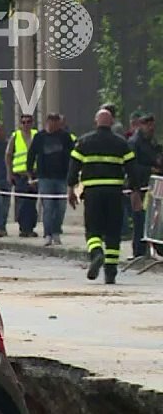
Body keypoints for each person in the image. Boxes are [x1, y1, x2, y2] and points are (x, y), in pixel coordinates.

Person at [68, 108, 139, 284]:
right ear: (112, 122)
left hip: (92, 193)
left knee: (92, 230)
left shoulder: (83, 142)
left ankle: (96, 253)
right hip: (114, 193)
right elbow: (132, 169)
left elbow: (73, 168)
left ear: (95, 122)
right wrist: (135, 191)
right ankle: (110, 272)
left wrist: (70, 188)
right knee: (113, 233)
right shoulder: (121, 143)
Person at [26, 112, 76, 246]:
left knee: (60, 207)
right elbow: (31, 155)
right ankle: (48, 234)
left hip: (62, 177)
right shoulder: (39, 137)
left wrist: (73, 175)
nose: (56, 126)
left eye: (57, 123)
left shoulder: (65, 137)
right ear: (48, 122)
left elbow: (73, 156)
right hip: (45, 177)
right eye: (53, 122)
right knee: (48, 206)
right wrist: (30, 174)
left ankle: (56, 232)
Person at [127, 112, 158, 258]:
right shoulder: (134, 142)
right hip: (139, 187)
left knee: (154, 220)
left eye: (152, 125)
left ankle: (153, 249)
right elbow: (131, 165)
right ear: (141, 125)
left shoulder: (152, 142)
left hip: (154, 187)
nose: (151, 128)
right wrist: (149, 170)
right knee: (140, 219)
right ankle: (138, 251)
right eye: (148, 125)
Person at [7, 113, 39, 238]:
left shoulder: (36, 135)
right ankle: (24, 228)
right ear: (20, 124)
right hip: (20, 175)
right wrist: (9, 174)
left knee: (32, 201)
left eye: (28, 122)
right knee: (22, 202)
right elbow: (8, 155)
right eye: (23, 122)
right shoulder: (15, 136)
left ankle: (30, 227)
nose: (26, 125)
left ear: (32, 123)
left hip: (34, 173)